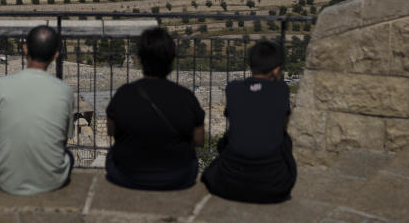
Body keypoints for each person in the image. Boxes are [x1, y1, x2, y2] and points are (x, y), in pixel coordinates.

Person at [105, 27, 205, 190]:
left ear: (141, 58)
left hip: (129, 175)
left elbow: (111, 131)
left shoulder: (124, 94)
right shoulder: (187, 97)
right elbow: (199, 141)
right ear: (172, 58)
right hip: (177, 176)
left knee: (112, 155)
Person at [201, 39, 297, 203]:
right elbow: (283, 127)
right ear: (276, 70)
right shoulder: (281, 90)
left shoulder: (233, 88)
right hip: (274, 184)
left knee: (211, 169)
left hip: (230, 181)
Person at [0, 25, 75, 195]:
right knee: (69, 156)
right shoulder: (65, 91)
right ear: (55, 55)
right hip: (52, 181)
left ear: (25, 49)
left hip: (7, 180)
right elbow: (63, 141)